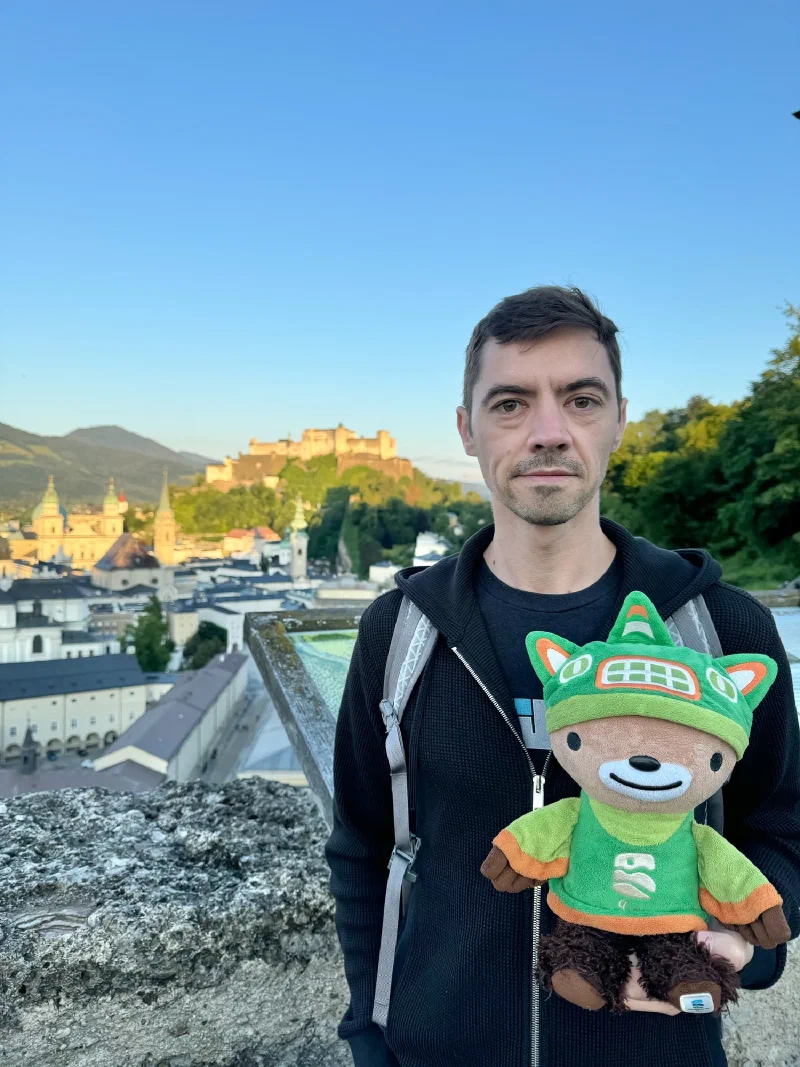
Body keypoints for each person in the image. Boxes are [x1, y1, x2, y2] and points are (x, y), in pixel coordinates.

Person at [323, 285, 800, 1067]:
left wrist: (749, 944)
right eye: (510, 403)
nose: (549, 431)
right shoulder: (399, 630)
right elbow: (364, 850)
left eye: (580, 399)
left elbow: (784, 829)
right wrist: (370, 1037)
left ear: (617, 420)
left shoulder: (722, 629)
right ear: (466, 427)